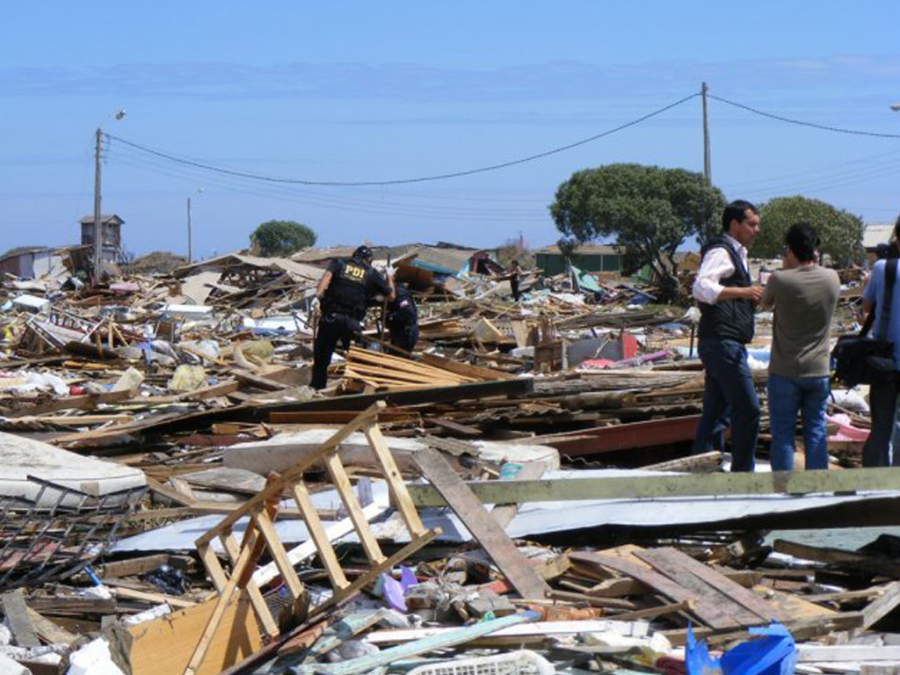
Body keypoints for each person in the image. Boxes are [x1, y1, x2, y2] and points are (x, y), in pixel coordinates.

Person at [759, 223, 840, 471]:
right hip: (818, 370)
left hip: (785, 370)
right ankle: (817, 489)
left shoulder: (780, 279)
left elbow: (764, 304)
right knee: (815, 430)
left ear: (790, 250)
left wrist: (785, 268)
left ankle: (783, 490)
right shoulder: (832, 278)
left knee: (782, 434)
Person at [691, 199, 763, 472]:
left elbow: (724, 292)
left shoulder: (737, 253)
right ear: (735, 224)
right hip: (722, 342)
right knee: (748, 409)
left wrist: (746, 299)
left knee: (716, 413)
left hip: (723, 341)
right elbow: (702, 287)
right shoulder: (722, 251)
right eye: (751, 224)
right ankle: (743, 475)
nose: (756, 230)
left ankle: (703, 470)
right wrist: (745, 292)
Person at [311, 245, 394, 390]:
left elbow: (327, 277)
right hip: (352, 322)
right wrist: (389, 276)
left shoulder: (339, 263)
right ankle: (357, 388)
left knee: (321, 358)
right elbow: (391, 296)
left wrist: (317, 296)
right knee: (357, 357)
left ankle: (317, 388)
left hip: (330, 317)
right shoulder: (371, 272)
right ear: (369, 259)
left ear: (354, 255)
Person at [860, 216, 900, 466]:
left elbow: (866, 307)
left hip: (884, 362)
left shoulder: (882, 268)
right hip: (886, 363)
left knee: (881, 427)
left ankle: (875, 488)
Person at [386, 282, 419, 353]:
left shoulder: (400, 294)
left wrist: (390, 316)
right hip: (400, 331)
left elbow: (408, 313)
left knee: (399, 356)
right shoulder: (396, 291)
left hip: (405, 333)